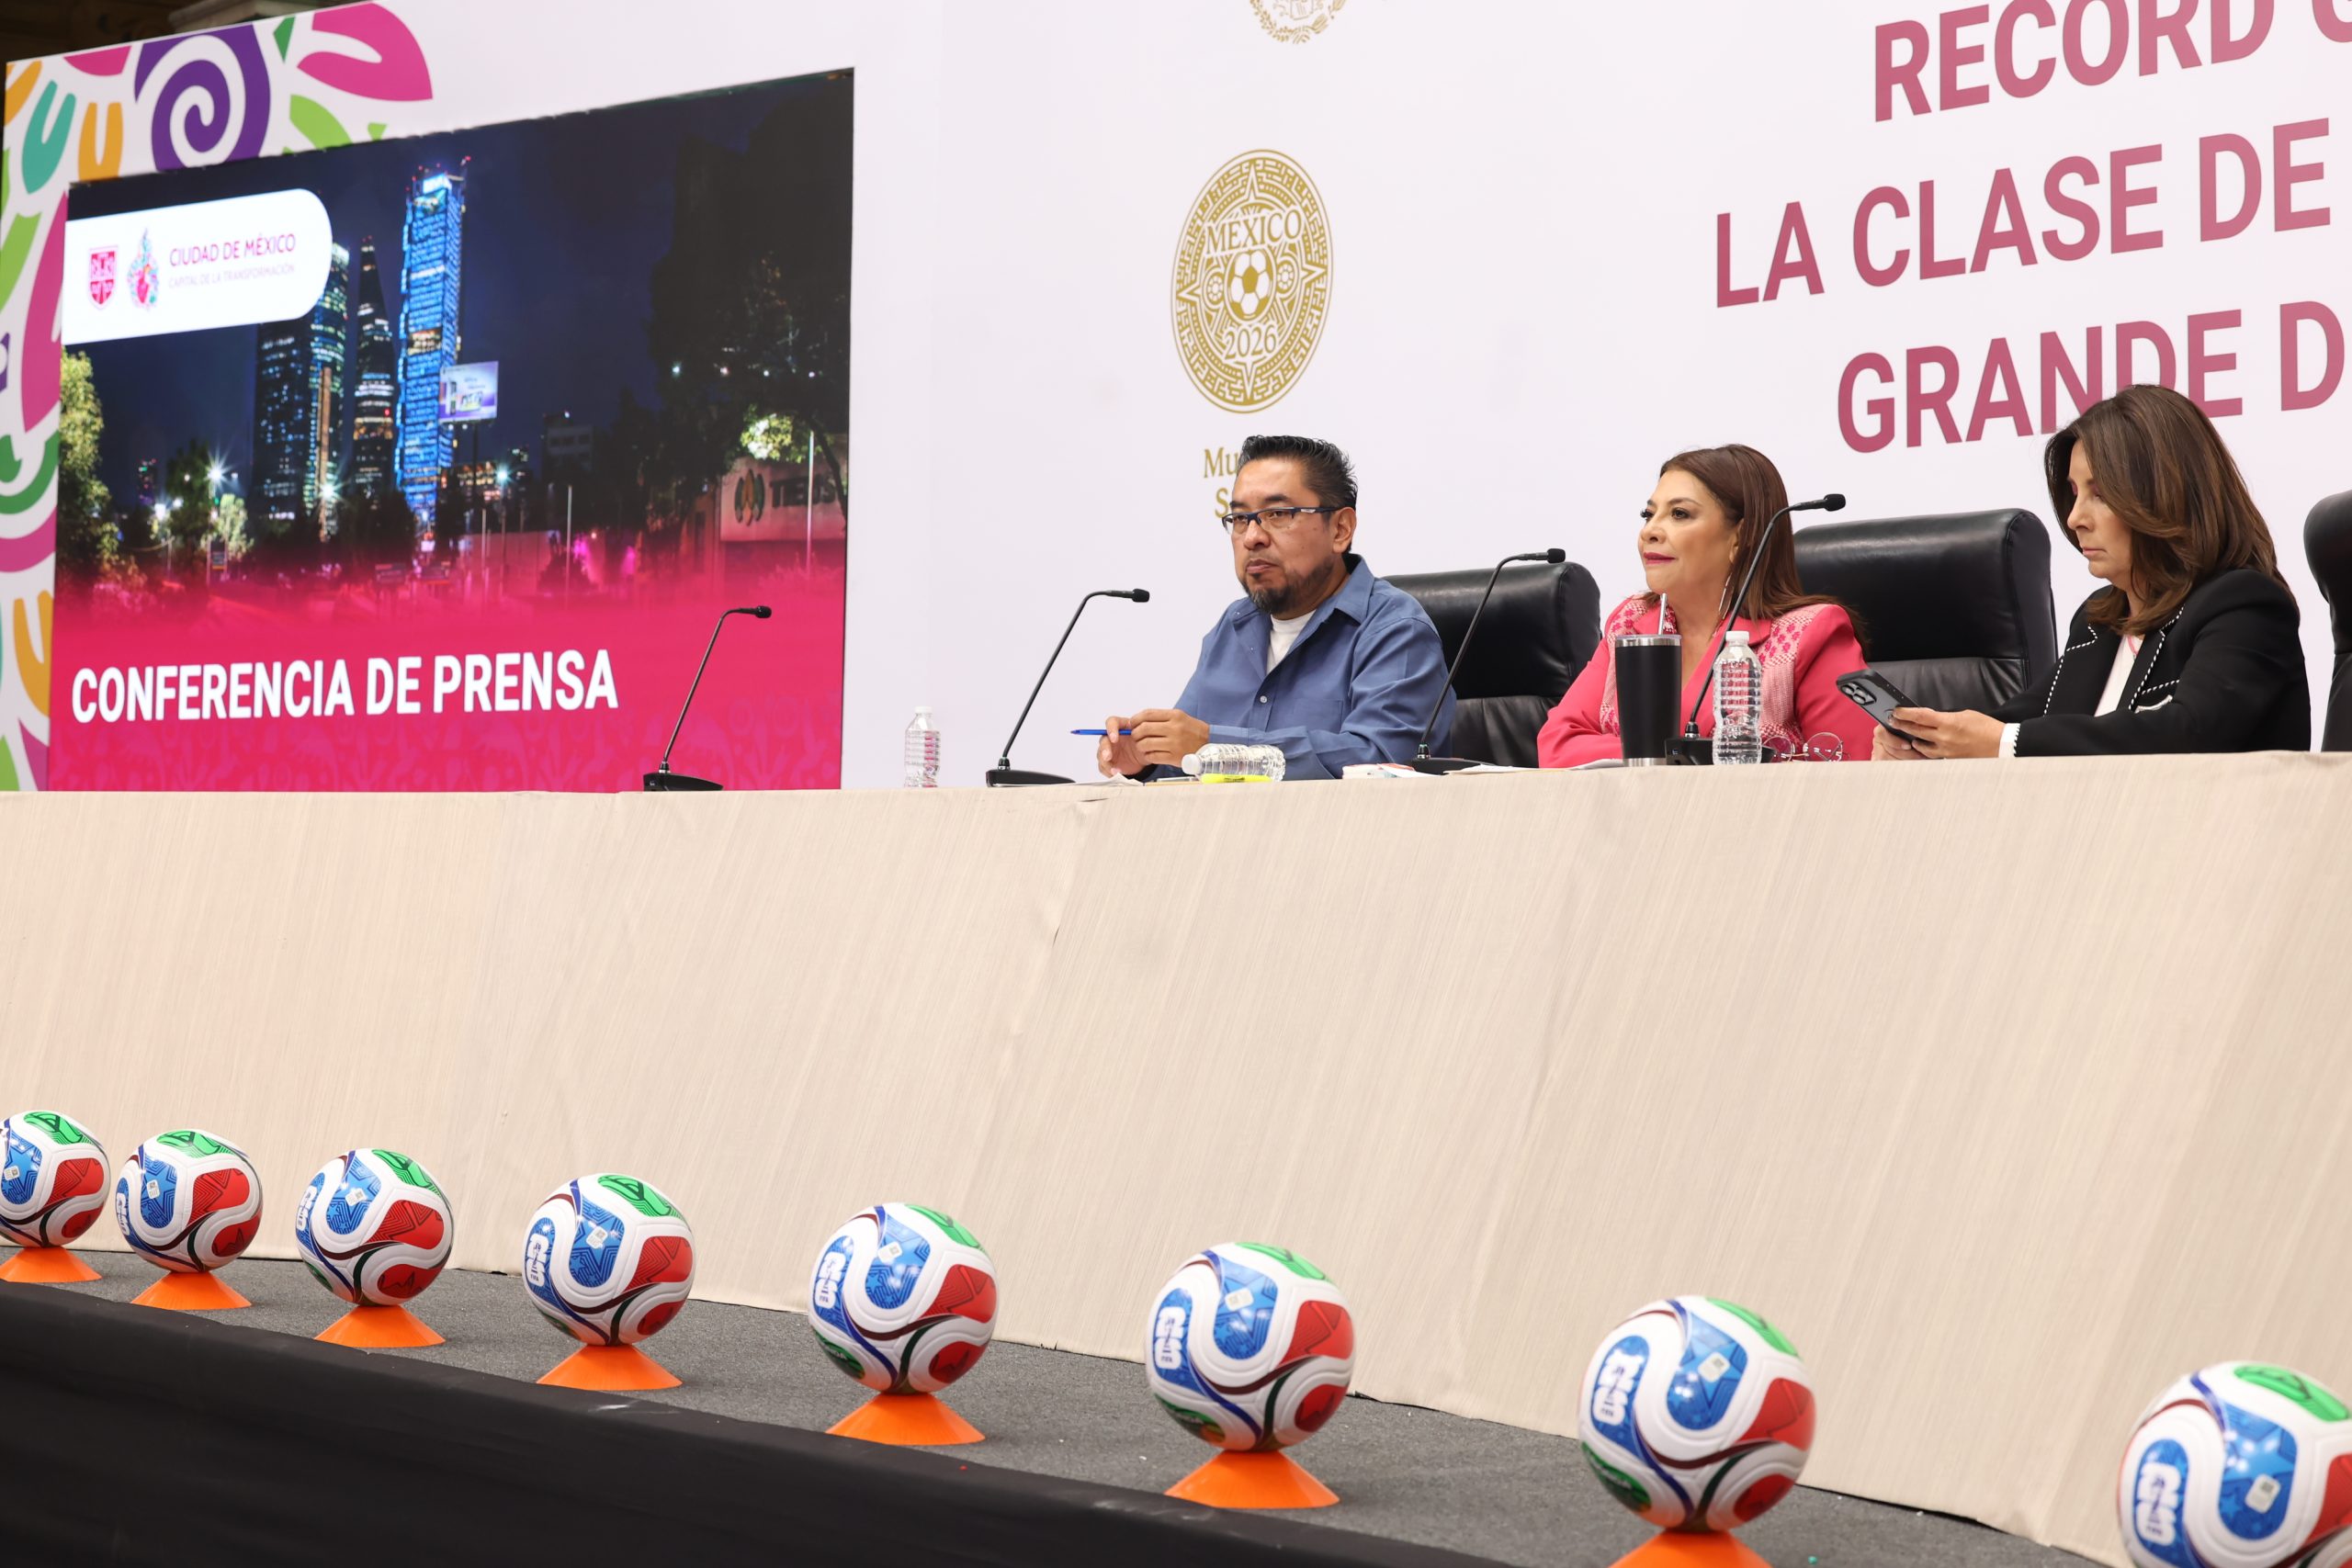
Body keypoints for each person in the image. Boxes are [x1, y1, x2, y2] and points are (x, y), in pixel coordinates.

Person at [1875, 384, 2307, 760]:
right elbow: (2016, 722)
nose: (2074, 518)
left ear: (2165, 496)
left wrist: (2001, 741)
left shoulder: (2244, 607)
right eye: (2074, 493)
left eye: (2100, 494)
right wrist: (1930, 743)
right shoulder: (2099, 621)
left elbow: (2188, 732)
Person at [1097, 434, 1453, 780]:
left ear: (1340, 529)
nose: (1252, 537)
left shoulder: (1395, 629)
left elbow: (1384, 762)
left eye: (1278, 513)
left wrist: (1213, 746)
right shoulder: (1232, 628)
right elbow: (1187, 759)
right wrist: (1145, 759)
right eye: (1240, 519)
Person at [1536, 446, 1873, 766]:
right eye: (1648, 515)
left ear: (1741, 538)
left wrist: (1656, 755)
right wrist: (1682, 755)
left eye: (1679, 514)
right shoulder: (1630, 621)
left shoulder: (1808, 635)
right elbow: (1557, 745)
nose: (1650, 531)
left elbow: (1854, 769)